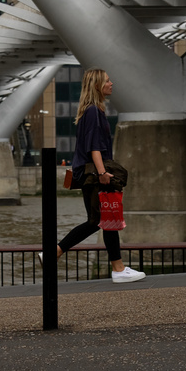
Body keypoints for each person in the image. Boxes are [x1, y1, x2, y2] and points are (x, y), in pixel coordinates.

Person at [50, 68, 145, 283]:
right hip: (95, 175)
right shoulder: (93, 111)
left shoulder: (91, 111)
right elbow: (94, 148)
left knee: (106, 219)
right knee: (97, 220)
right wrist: (102, 172)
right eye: (107, 81)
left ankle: (118, 268)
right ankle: (55, 252)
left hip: (91, 174)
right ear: (97, 86)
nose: (112, 83)